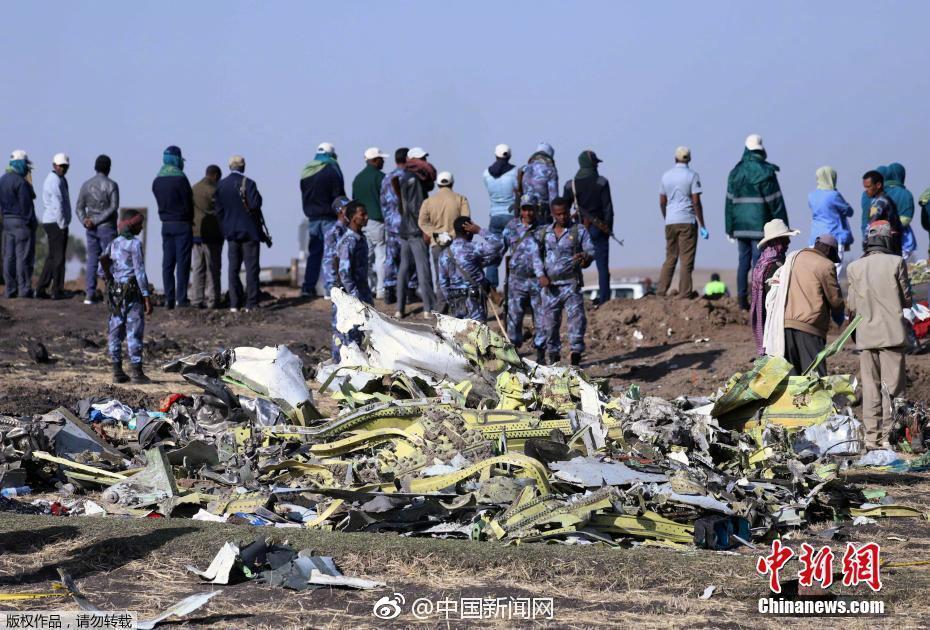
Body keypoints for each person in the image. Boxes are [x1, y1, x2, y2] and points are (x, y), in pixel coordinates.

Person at [846, 221, 911, 450]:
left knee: (871, 388)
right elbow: (907, 299)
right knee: (892, 390)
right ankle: (889, 437)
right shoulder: (897, 262)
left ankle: (871, 438)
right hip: (892, 335)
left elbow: (851, 306)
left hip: (866, 337)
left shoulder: (854, 267)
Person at [725, 134, 789, 310]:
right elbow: (776, 202)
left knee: (743, 262)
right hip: (760, 224)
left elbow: (729, 203)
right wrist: (783, 226)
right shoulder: (766, 172)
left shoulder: (735, 172)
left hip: (739, 226)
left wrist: (729, 228)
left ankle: (741, 301)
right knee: (758, 262)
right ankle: (758, 300)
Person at [100, 209, 152, 384]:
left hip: (114, 295)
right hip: (132, 295)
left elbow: (102, 270)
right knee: (134, 332)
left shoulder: (113, 243)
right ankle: (136, 373)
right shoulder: (135, 244)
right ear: (132, 224)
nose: (141, 227)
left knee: (114, 332)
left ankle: (117, 371)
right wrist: (146, 296)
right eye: (139, 224)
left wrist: (111, 280)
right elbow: (140, 272)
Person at [540, 197, 595, 366]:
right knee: (550, 326)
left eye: (565, 213)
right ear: (552, 214)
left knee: (577, 321)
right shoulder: (544, 233)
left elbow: (590, 250)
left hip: (571, 285)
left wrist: (584, 257)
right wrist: (540, 275)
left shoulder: (578, 231)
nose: (562, 217)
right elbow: (535, 256)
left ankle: (576, 355)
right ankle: (553, 357)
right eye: (558, 214)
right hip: (550, 288)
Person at [782, 234, 844, 376]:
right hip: (809, 327)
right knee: (815, 377)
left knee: (793, 378)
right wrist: (841, 316)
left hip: (785, 325)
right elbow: (835, 300)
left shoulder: (794, 258)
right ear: (829, 250)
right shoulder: (825, 264)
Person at [563, 150, 613, 307]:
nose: (597, 165)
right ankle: (605, 300)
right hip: (598, 230)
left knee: (574, 264)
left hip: (577, 230)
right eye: (596, 163)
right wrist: (608, 229)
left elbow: (564, 209)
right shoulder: (602, 182)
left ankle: (571, 298)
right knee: (602, 267)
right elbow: (608, 209)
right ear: (591, 164)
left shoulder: (570, 185)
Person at [215, 155, 264, 313]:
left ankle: (234, 304)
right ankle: (251, 303)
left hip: (231, 233)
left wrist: (226, 229)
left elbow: (218, 212)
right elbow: (256, 205)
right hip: (249, 232)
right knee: (251, 269)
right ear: (243, 167)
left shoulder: (221, 186)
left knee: (233, 269)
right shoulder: (249, 184)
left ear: (229, 167)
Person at [657, 146, 707, 298]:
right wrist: (702, 224)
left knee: (670, 257)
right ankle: (684, 292)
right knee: (686, 259)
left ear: (675, 158)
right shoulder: (692, 176)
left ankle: (661, 290)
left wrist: (667, 217)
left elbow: (662, 201)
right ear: (689, 159)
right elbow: (696, 201)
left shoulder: (666, 176)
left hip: (671, 221)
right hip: (687, 220)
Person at [418, 170, 471, 312]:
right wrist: (452, 235)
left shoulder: (428, 202)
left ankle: (441, 311)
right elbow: (465, 220)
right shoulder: (461, 199)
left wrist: (436, 235)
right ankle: (459, 310)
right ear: (452, 183)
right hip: (456, 244)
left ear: (437, 184)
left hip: (437, 244)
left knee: (440, 279)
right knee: (458, 277)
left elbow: (422, 222)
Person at [503, 193, 547, 363]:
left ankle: (541, 354)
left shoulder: (543, 229)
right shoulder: (511, 227)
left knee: (541, 318)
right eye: (525, 209)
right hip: (517, 280)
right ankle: (513, 354)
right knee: (514, 317)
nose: (528, 213)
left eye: (531, 209)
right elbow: (500, 248)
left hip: (537, 280)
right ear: (520, 210)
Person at [395, 147, 438, 319]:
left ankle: (400, 308)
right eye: (422, 159)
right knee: (423, 268)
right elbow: (416, 207)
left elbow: (402, 206)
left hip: (405, 228)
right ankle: (429, 308)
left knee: (404, 268)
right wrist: (424, 228)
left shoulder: (405, 177)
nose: (425, 162)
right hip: (415, 230)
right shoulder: (414, 179)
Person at [438, 216, 505, 322]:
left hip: (456, 303)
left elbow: (443, 283)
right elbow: (498, 244)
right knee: (477, 334)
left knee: (459, 335)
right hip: (474, 302)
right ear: (469, 231)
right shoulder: (471, 248)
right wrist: (479, 230)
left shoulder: (444, 254)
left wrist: (451, 299)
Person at [300, 142, 345, 297]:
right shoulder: (332, 169)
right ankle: (330, 288)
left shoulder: (307, 171)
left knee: (314, 254)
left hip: (312, 219)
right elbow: (339, 195)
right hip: (329, 218)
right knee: (330, 253)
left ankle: (308, 288)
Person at [152, 145, 194, 309]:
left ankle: (169, 299)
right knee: (182, 264)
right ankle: (181, 299)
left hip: (166, 225)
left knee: (167, 264)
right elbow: (188, 203)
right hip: (182, 224)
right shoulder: (181, 179)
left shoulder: (157, 180)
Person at [751, 219, 799, 355]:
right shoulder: (773, 267)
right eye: (785, 240)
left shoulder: (762, 264)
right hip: (775, 322)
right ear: (775, 242)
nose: (788, 243)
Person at [75, 154, 119, 304]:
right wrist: (97, 220)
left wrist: (86, 221)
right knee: (111, 260)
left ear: (95, 167)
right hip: (107, 228)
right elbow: (113, 207)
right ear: (109, 168)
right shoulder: (112, 185)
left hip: (91, 228)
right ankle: (111, 294)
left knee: (92, 259)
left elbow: (79, 207)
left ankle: (90, 294)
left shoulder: (85, 185)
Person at [332, 201, 373, 360]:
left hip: (362, 292)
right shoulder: (349, 241)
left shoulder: (361, 239)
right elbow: (344, 272)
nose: (366, 217)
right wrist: (355, 296)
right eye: (362, 214)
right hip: (349, 297)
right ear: (352, 217)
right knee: (346, 337)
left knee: (362, 334)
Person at [352, 147, 388, 299]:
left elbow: (354, 201)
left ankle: (367, 287)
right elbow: (388, 200)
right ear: (374, 160)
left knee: (365, 257)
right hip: (377, 220)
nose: (383, 161)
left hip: (361, 222)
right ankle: (381, 290)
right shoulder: (381, 177)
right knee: (381, 256)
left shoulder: (357, 178)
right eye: (381, 159)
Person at [380, 147, 414, 305]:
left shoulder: (387, 178)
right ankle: (409, 290)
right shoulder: (411, 177)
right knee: (409, 257)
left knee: (391, 258)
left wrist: (388, 218)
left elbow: (383, 203)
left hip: (391, 223)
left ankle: (389, 289)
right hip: (407, 224)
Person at [0, 150, 37, 298]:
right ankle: (24, 289)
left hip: (7, 222)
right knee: (23, 257)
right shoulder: (21, 182)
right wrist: (32, 222)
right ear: (21, 163)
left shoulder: (2, 180)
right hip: (21, 222)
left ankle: (10, 289)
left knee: (9, 256)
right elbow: (26, 205)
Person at [482, 144, 519, 288]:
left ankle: (491, 288)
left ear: (495, 156)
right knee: (516, 252)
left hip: (495, 216)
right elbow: (518, 191)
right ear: (509, 156)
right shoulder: (515, 172)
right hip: (511, 216)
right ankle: (514, 287)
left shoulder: (486, 173)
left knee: (493, 252)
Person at [36, 153, 71, 299]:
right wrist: (62, 224)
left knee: (52, 257)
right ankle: (57, 290)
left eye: (65, 166)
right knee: (58, 258)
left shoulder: (58, 179)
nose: (63, 168)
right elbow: (57, 205)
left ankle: (41, 288)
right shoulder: (54, 181)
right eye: (60, 166)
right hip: (56, 222)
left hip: (53, 221)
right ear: (54, 165)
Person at [808, 166, 854, 275]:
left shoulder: (811, 196)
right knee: (833, 272)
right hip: (834, 237)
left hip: (815, 238)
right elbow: (849, 211)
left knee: (816, 272)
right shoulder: (834, 195)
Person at [190, 164, 223, 309]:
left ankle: (196, 299)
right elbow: (220, 211)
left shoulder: (194, 188)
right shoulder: (215, 190)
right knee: (213, 267)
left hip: (196, 234)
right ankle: (212, 299)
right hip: (213, 235)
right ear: (215, 175)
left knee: (197, 267)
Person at [862, 170, 903, 255]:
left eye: (868, 187)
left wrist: (865, 242)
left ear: (878, 185)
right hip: (893, 246)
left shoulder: (880, 202)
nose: (865, 190)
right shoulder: (886, 200)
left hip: (884, 247)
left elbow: (872, 224)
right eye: (865, 187)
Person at [520, 142, 559, 224]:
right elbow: (553, 198)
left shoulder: (524, 169)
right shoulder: (550, 170)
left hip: (526, 213)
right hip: (543, 214)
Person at [884, 163, 916, 258]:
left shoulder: (880, 193)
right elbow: (907, 218)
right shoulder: (906, 194)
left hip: (882, 238)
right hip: (903, 239)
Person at [322, 196, 350, 298]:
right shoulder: (334, 232)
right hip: (336, 286)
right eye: (348, 208)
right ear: (340, 211)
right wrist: (332, 286)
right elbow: (330, 261)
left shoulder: (349, 230)